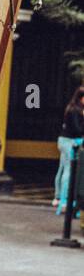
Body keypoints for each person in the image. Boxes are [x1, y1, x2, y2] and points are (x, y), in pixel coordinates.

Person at [54, 85, 84, 215]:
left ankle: (59, 197)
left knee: (63, 168)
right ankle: (64, 200)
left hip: (64, 140)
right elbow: (77, 130)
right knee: (69, 170)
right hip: (69, 142)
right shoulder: (75, 110)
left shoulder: (71, 108)